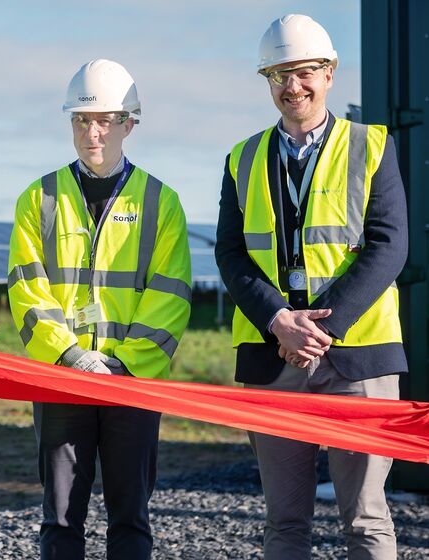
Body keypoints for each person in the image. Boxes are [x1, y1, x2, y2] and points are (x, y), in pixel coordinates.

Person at [215, 14, 407, 559]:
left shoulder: (372, 145)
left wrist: (319, 330)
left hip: (359, 357)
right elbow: (231, 253)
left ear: (329, 74)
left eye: (302, 72)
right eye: (277, 75)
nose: (290, 86)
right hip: (272, 356)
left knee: (367, 519)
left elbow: (390, 245)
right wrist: (277, 320)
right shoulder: (242, 157)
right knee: (284, 521)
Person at [8, 59, 192, 559]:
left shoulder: (161, 202)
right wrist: (69, 355)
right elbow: (27, 288)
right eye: (81, 120)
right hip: (62, 379)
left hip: (131, 381)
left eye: (105, 120)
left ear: (129, 124)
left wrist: (120, 363)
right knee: (61, 516)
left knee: (130, 517)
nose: (92, 131)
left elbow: (170, 295)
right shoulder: (38, 198)